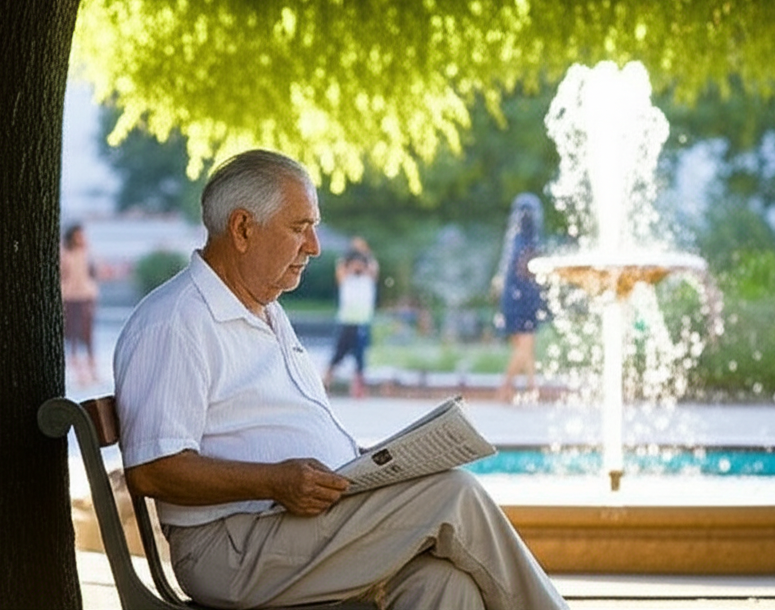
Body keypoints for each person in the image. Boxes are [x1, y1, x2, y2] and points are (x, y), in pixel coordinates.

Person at [113, 150, 569, 610]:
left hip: (289, 529)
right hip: (231, 549)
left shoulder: (265, 309)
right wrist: (275, 481)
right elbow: (154, 468)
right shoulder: (175, 322)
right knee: (455, 494)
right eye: (299, 227)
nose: (313, 246)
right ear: (243, 228)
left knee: (444, 586)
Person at [495, 193, 546, 403]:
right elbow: (530, 276)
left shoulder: (515, 243)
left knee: (525, 348)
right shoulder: (527, 245)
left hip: (513, 303)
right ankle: (505, 387)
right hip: (523, 304)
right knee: (525, 347)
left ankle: (533, 388)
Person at [324, 237, 379, 398]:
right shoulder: (345, 278)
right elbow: (341, 267)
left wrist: (364, 251)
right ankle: (325, 383)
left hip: (362, 321)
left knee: (361, 357)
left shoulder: (368, 278)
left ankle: (359, 390)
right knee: (337, 355)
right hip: (347, 321)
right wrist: (351, 254)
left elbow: (373, 266)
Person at [60, 222, 99, 386]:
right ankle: (79, 371)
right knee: (72, 333)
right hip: (70, 296)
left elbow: (92, 272)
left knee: (87, 332)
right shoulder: (64, 253)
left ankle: (92, 368)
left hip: (85, 295)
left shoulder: (87, 253)